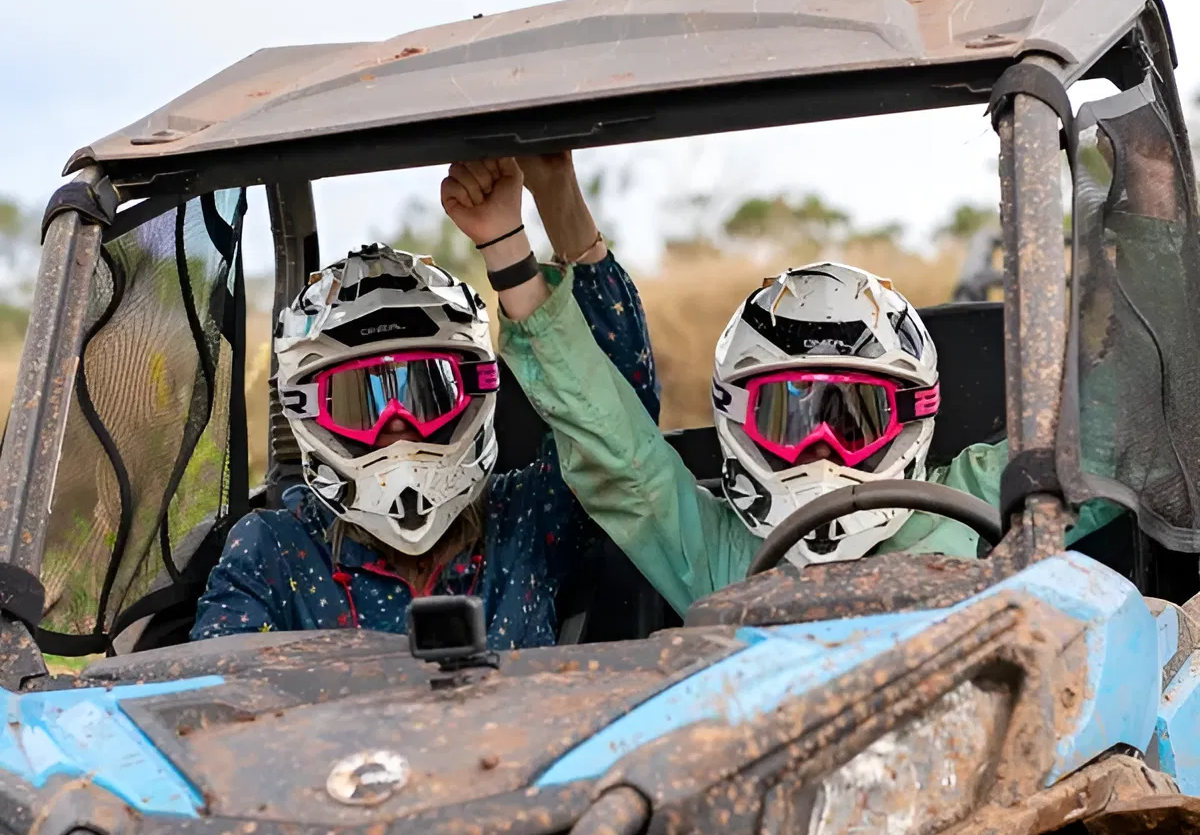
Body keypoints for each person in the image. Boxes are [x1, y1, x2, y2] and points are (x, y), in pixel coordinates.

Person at [456, 169, 1134, 615]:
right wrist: (508, 247)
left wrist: (1153, 193)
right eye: (789, 414)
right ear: (737, 420)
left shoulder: (972, 500)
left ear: (910, 416)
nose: (820, 446)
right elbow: (612, 447)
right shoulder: (718, 552)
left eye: (852, 416)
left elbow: (1127, 432)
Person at [190, 154, 659, 645]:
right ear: (310, 416)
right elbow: (214, 696)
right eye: (358, 402)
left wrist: (531, 214)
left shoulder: (524, 518)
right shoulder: (275, 550)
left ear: (475, 390)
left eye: (427, 391)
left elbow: (621, 427)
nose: (397, 425)